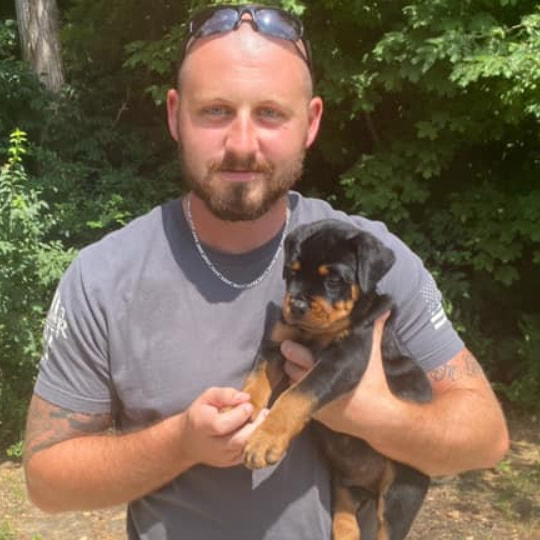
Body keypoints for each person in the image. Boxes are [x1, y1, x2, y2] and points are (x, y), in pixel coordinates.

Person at [23, 4, 509, 540]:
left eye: (271, 113)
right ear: (173, 115)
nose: (242, 143)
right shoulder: (101, 277)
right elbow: (47, 484)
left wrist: (370, 414)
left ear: (312, 121)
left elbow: (486, 439)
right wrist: (180, 443)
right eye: (215, 111)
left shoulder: (367, 255)